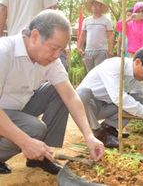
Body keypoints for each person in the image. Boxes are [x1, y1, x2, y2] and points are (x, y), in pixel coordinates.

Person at [0, 10, 105, 175]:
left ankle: (42, 156)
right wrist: (26, 141)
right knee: (35, 128)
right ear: (34, 36)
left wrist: (89, 135)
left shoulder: (50, 60)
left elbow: (70, 96)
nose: (57, 56)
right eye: (54, 48)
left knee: (59, 92)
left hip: (18, 110)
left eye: (61, 50)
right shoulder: (4, 51)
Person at [76, 45, 143, 148]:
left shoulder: (139, 77)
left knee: (140, 98)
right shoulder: (114, 66)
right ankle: (98, 132)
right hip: (89, 107)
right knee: (82, 93)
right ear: (137, 62)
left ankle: (109, 128)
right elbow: (118, 97)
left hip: (107, 106)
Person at [77, 0, 114, 73]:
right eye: (93, 4)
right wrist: (79, 47)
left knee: (99, 73)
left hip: (101, 50)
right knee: (90, 73)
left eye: (97, 4)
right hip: (88, 51)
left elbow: (111, 36)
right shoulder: (87, 20)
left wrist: (111, 50)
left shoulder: (106, 20)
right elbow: (83, 35)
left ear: (101, 6)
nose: (95, 6)